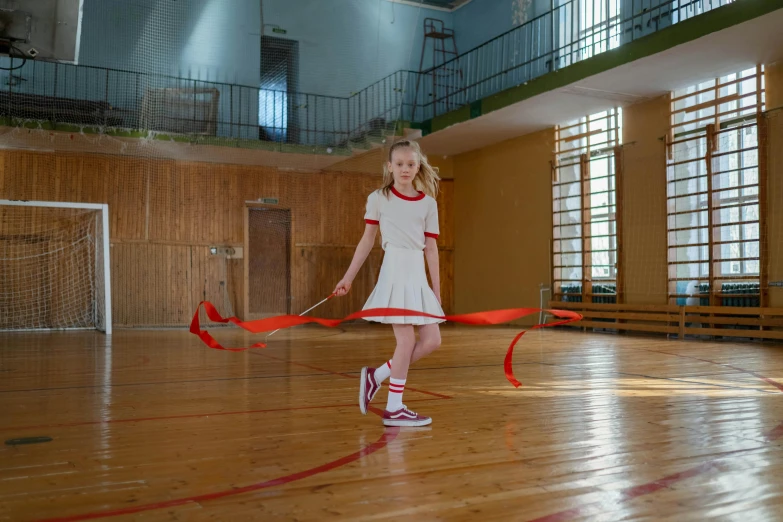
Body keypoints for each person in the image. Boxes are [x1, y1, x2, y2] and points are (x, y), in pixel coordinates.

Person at [333, 140, 443, 427]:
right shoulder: (378, 198)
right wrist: (348, 277)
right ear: (389, 167)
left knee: (432, 340)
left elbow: (431, 249)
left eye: (411, 164)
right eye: (400, 164)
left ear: (418, 166)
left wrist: (436, 292)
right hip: (395, 269)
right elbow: (367, 240)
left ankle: (377, 376)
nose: (405, 169)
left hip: (417, 273)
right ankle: (394, 406)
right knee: (406, 341)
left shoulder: (428, 204)